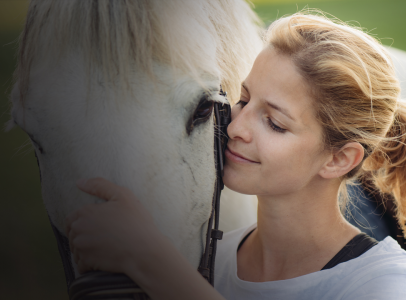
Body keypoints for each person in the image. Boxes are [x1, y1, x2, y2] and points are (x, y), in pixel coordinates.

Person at [65, 12, 406, 299]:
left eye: (274, 123)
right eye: (242, 100)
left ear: (339, 159)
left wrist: (149, 261)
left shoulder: (383, 284)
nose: (235, 127)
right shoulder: (204, 259)